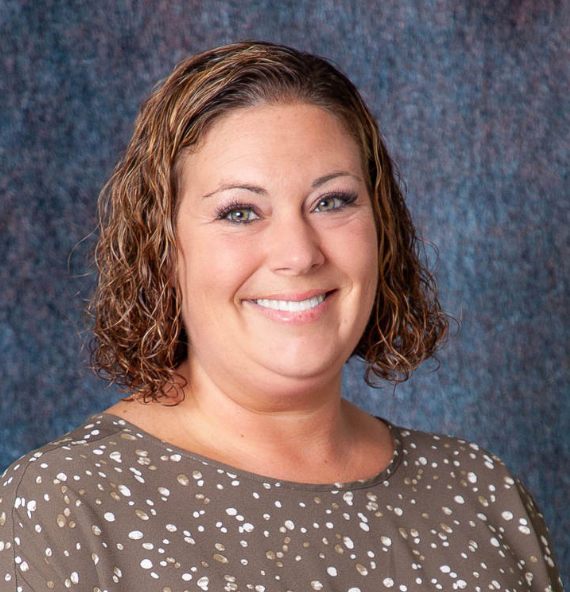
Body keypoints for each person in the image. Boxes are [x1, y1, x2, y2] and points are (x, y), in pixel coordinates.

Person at [0, 41, 562, 591]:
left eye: (332, 201)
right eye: (240, 212)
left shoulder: (481, 491)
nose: (299, 254)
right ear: (162, 248)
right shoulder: (65, 503)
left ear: (381, 225)